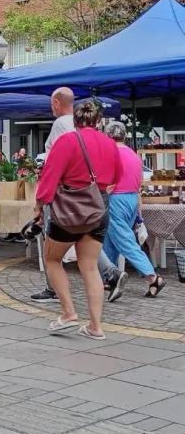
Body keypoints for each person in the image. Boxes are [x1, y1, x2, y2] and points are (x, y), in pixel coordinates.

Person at [34, 99, 122, 340]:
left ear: (75, 119)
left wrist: (39, 206)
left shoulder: (67, 141)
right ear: (98, 120)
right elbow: (117, 176)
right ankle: (96, 326)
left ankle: (68, 313)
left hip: (69, 210)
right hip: (98, 207)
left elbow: (50, 177)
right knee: (90, 266)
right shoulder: (109, 143)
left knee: (52, 259)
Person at [103, 121, 165, 298]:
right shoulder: (133, 155)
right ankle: (108, 278)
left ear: (108, 136)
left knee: (124, 240)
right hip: (131, 199)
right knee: (111, 240)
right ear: (124, 135)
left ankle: (152, 277)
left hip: (116, 198)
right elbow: (138, 184)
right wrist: (139, 212)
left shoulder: (110, 154)